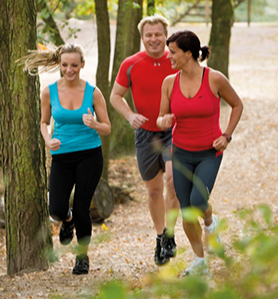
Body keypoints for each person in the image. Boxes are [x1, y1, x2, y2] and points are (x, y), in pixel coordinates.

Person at [157, 30, 243, 276]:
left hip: (209, 153)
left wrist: (226, 135)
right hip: (181, 152)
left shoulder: (214, 79)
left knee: (196, 202)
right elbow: (161, 117)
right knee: (186, 210)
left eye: (172, 52)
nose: (169, 56)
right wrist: (164, 121)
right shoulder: (169, 82)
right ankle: (199, 261)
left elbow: (237, 104)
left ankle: (209, 222)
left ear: (187, 54)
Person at [20, 43, 111, 275]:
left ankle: (82, 257)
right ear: (59, 65)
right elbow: (43, 122)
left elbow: (107, 128)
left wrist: (95, 124)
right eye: (64, 65)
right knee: (58, 209)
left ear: (82, 64)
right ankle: (67, 221)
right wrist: (48, 140)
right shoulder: (48, 91)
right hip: (61, 156)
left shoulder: (93, 92)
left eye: (74, 65)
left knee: (82, 207)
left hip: (90, 154)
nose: (69, 70)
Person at [110, 14, 180, 266]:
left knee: (173, 182)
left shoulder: (176, 60)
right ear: (142, 38)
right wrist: (130, 115)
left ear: (166, 35)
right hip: (145, 134)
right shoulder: (130, 63)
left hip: (174, 131)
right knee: (153, 191)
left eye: (158, 34)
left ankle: (171, 234)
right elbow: (116, 95)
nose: (153, 39)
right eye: (148, 35)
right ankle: (161, 237)